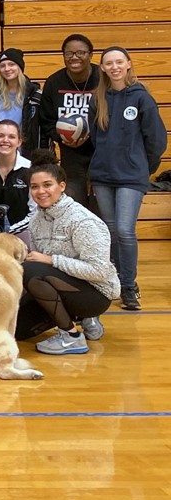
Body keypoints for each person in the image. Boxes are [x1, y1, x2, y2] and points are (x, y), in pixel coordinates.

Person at [15, 151, 119, 355]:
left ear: (62, 187)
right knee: (16, 329)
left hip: (96, 293)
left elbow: (98, 271)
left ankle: (71, 336)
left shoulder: (83, 221)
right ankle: (79, 317)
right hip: (62, 285)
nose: (40, 191)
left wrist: (51, 260)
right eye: (34, 187)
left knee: (30, 270)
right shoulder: (36, 220)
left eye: (47, 185)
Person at [89, 46, 167, 311]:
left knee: (124, 230)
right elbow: (95, 138)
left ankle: (129, 286)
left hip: (132, 176)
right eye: (108, 63)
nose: (114, 67)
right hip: (103, 175)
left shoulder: (141, 98)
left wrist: (145, 167)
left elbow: (156, 140)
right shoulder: (97, 99)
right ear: (102, 68)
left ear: (129, 64)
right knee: (109, 231)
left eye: (119, 62)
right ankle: (115, 282)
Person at [38, 34, 99, 207]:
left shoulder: (103, 79)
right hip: (71, 156)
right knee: (75, 206)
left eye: (80, 53)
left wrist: (92, 135)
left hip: (101, 153)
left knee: (100, 209)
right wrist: (63, 137)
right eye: (69, 53)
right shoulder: (54, 82)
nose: (74, 57)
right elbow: (47, 120)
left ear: (90, 54)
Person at [0, 48, 43, 153]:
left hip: (26, 154)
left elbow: (42, 129)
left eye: (11, 64)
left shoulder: (35, 96)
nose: (7, 69)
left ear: (20, 67)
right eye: (2, 66)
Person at [0, 120, 34, 237]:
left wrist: (11, 232)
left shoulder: (31, 169)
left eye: (11, 137)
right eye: (0, 136)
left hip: (24, 232)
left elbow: (35, 212)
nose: (5, 140)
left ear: (19, 142)